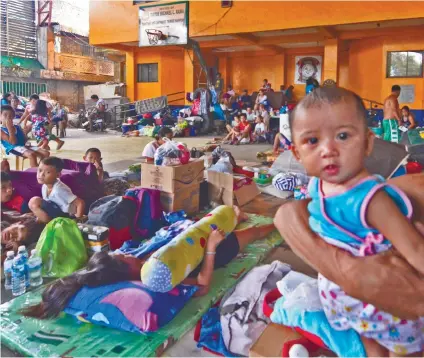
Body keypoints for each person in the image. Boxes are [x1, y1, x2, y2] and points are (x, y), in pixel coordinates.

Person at [287, 86, 424, 356]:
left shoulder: (318, 186)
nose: (328, 149)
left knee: (370, 345)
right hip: (376, 297)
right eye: (312, 141)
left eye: (342, 136)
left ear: (368, 143)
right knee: (408, 349)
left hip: (338, 296)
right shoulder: (371, 200)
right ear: (297, 154)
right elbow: (416, 249)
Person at [21, 206, 276, 318]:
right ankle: (281, 224)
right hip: (205, 254)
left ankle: (236, 218)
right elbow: (202, 286)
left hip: (185, 240)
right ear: (127, 272)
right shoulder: (156, 277)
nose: (127, 253)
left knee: (224, 220)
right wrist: (210, 248)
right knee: (253, 234)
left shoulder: (140, 264)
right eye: (124, 258)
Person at [28, 157, 85, 223]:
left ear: (58, 175)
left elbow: (80, 203)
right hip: (55, 212)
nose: (41, 175)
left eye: (48, 172)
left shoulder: (59, 189)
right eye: (40, 170)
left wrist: (78, 219)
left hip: (65, 216)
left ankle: (50, 225)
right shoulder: (45, 186)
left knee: (34, 202)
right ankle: (46, 223)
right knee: (33, 217)